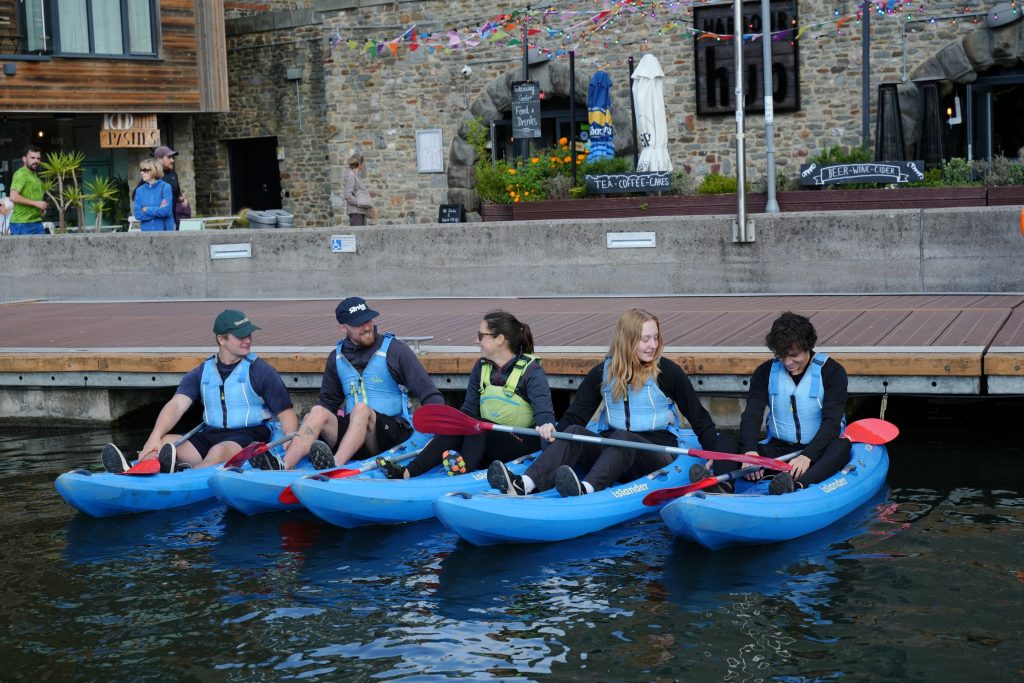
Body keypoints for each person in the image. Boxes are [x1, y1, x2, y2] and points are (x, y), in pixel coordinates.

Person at [489, 308, 734, 497]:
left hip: (655, 454)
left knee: (621, 438)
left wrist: (716, 455)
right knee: (574, 432)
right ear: (627, 340)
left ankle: (586, 490)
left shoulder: (667, 373)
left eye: (655, 338)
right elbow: (576, 416)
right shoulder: (602, 372)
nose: (653, 345)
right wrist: (554, 436)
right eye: (645, 339)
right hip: (613, 450)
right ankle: (524, 484)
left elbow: (699, 418)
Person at [252, 297, 444, 471]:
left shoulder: (396, 351)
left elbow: (430, 394)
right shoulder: (336, 357)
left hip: (390, 433)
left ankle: (335, 466)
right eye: (358, 324)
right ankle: (284, 466)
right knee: (318, 411)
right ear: (343, 328)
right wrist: (307, 426)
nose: (367, 327)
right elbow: (328, 402)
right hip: (354, 434)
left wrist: (439, 430)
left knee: (361, 409)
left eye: (368, 320)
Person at [101, 310, 298, 473]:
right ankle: (136, 472)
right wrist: (154, 436)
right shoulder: (202, 372)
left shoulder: (261, 371)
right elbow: (176, 405)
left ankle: (182, 479)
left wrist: (290, 438)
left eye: (249, 334)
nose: (247, 340)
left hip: (249, 434)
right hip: (211, 432)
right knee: (165, 443)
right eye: (240, 336)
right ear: (221, 339)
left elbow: (286, 413)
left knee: (218, 451)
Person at [376, 310, 556, 479]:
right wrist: (441, 438)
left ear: (500, 339)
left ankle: (465, 471)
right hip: (489, 440)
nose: (476, 340)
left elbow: (544, 415)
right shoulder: (482, 366)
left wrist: (547, 461)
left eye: (481, 336)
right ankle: (407, 472)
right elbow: (468, 410)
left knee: (476, 425)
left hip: (521, 443)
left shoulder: (532, 371)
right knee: (463, 424)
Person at [695, 311, 850, 495]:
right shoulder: (765, 372)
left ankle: (797, 485)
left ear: (808, 346)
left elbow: (832, 422)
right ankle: (722, 488)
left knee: (842, 446)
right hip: (778, 450)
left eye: (794, 355)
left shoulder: (832, 372)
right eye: (782, 355)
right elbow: (752, 414)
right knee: (726, 439)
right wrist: (751, 452)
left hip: (817, 452)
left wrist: (807, 456)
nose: (788, 362)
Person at [9, 145, 49, 235]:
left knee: (44, 249)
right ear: (24, 159)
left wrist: (39, 209)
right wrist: (36, 203)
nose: (36, 161)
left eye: (38, 158)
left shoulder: (34, 176)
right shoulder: (21, 174)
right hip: (21, 223)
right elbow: (13, 196)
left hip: (36, 222)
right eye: (32, 157)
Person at [133, 158, 174, 231]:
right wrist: (158, 211)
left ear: (154, 170)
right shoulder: (139, 190)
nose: (142, 173)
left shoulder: (166, 187)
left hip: (165, 234)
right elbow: (138, 214)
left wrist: (147, 209)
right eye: (141, 170)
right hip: (146, 235)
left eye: (145, 170)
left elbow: (166, 211)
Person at [343, 153, 374, 226]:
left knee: (362, 236)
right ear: (359, 164)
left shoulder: (356, 175)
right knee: (358, 236)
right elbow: (347, 195)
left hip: (361, 211)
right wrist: (359, 202)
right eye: (362, 163)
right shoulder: (351, 175)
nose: (363, 166)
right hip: (355, 212)